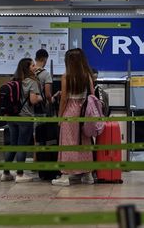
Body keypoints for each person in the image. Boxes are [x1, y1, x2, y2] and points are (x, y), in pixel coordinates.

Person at [51, 48, 95, 186]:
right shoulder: (88, 75)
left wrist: (59, 117)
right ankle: (88, 175)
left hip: (70, 112)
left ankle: (65, 176)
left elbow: (64, 99)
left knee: (68, 143)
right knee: (84, 142)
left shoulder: (67, 76)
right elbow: (92, 95)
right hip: (85, 112)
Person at [1, 58, 43, 183]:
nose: (35, 67)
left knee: (13, 144)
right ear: (28, 68)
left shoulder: (14, 80)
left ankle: (6, 172)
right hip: (25, 117)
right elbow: (33, 100)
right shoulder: (32, 81)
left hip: (12, 117)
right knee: (22, 145)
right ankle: (20, 174)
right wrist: (40, 97)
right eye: (33, 65)